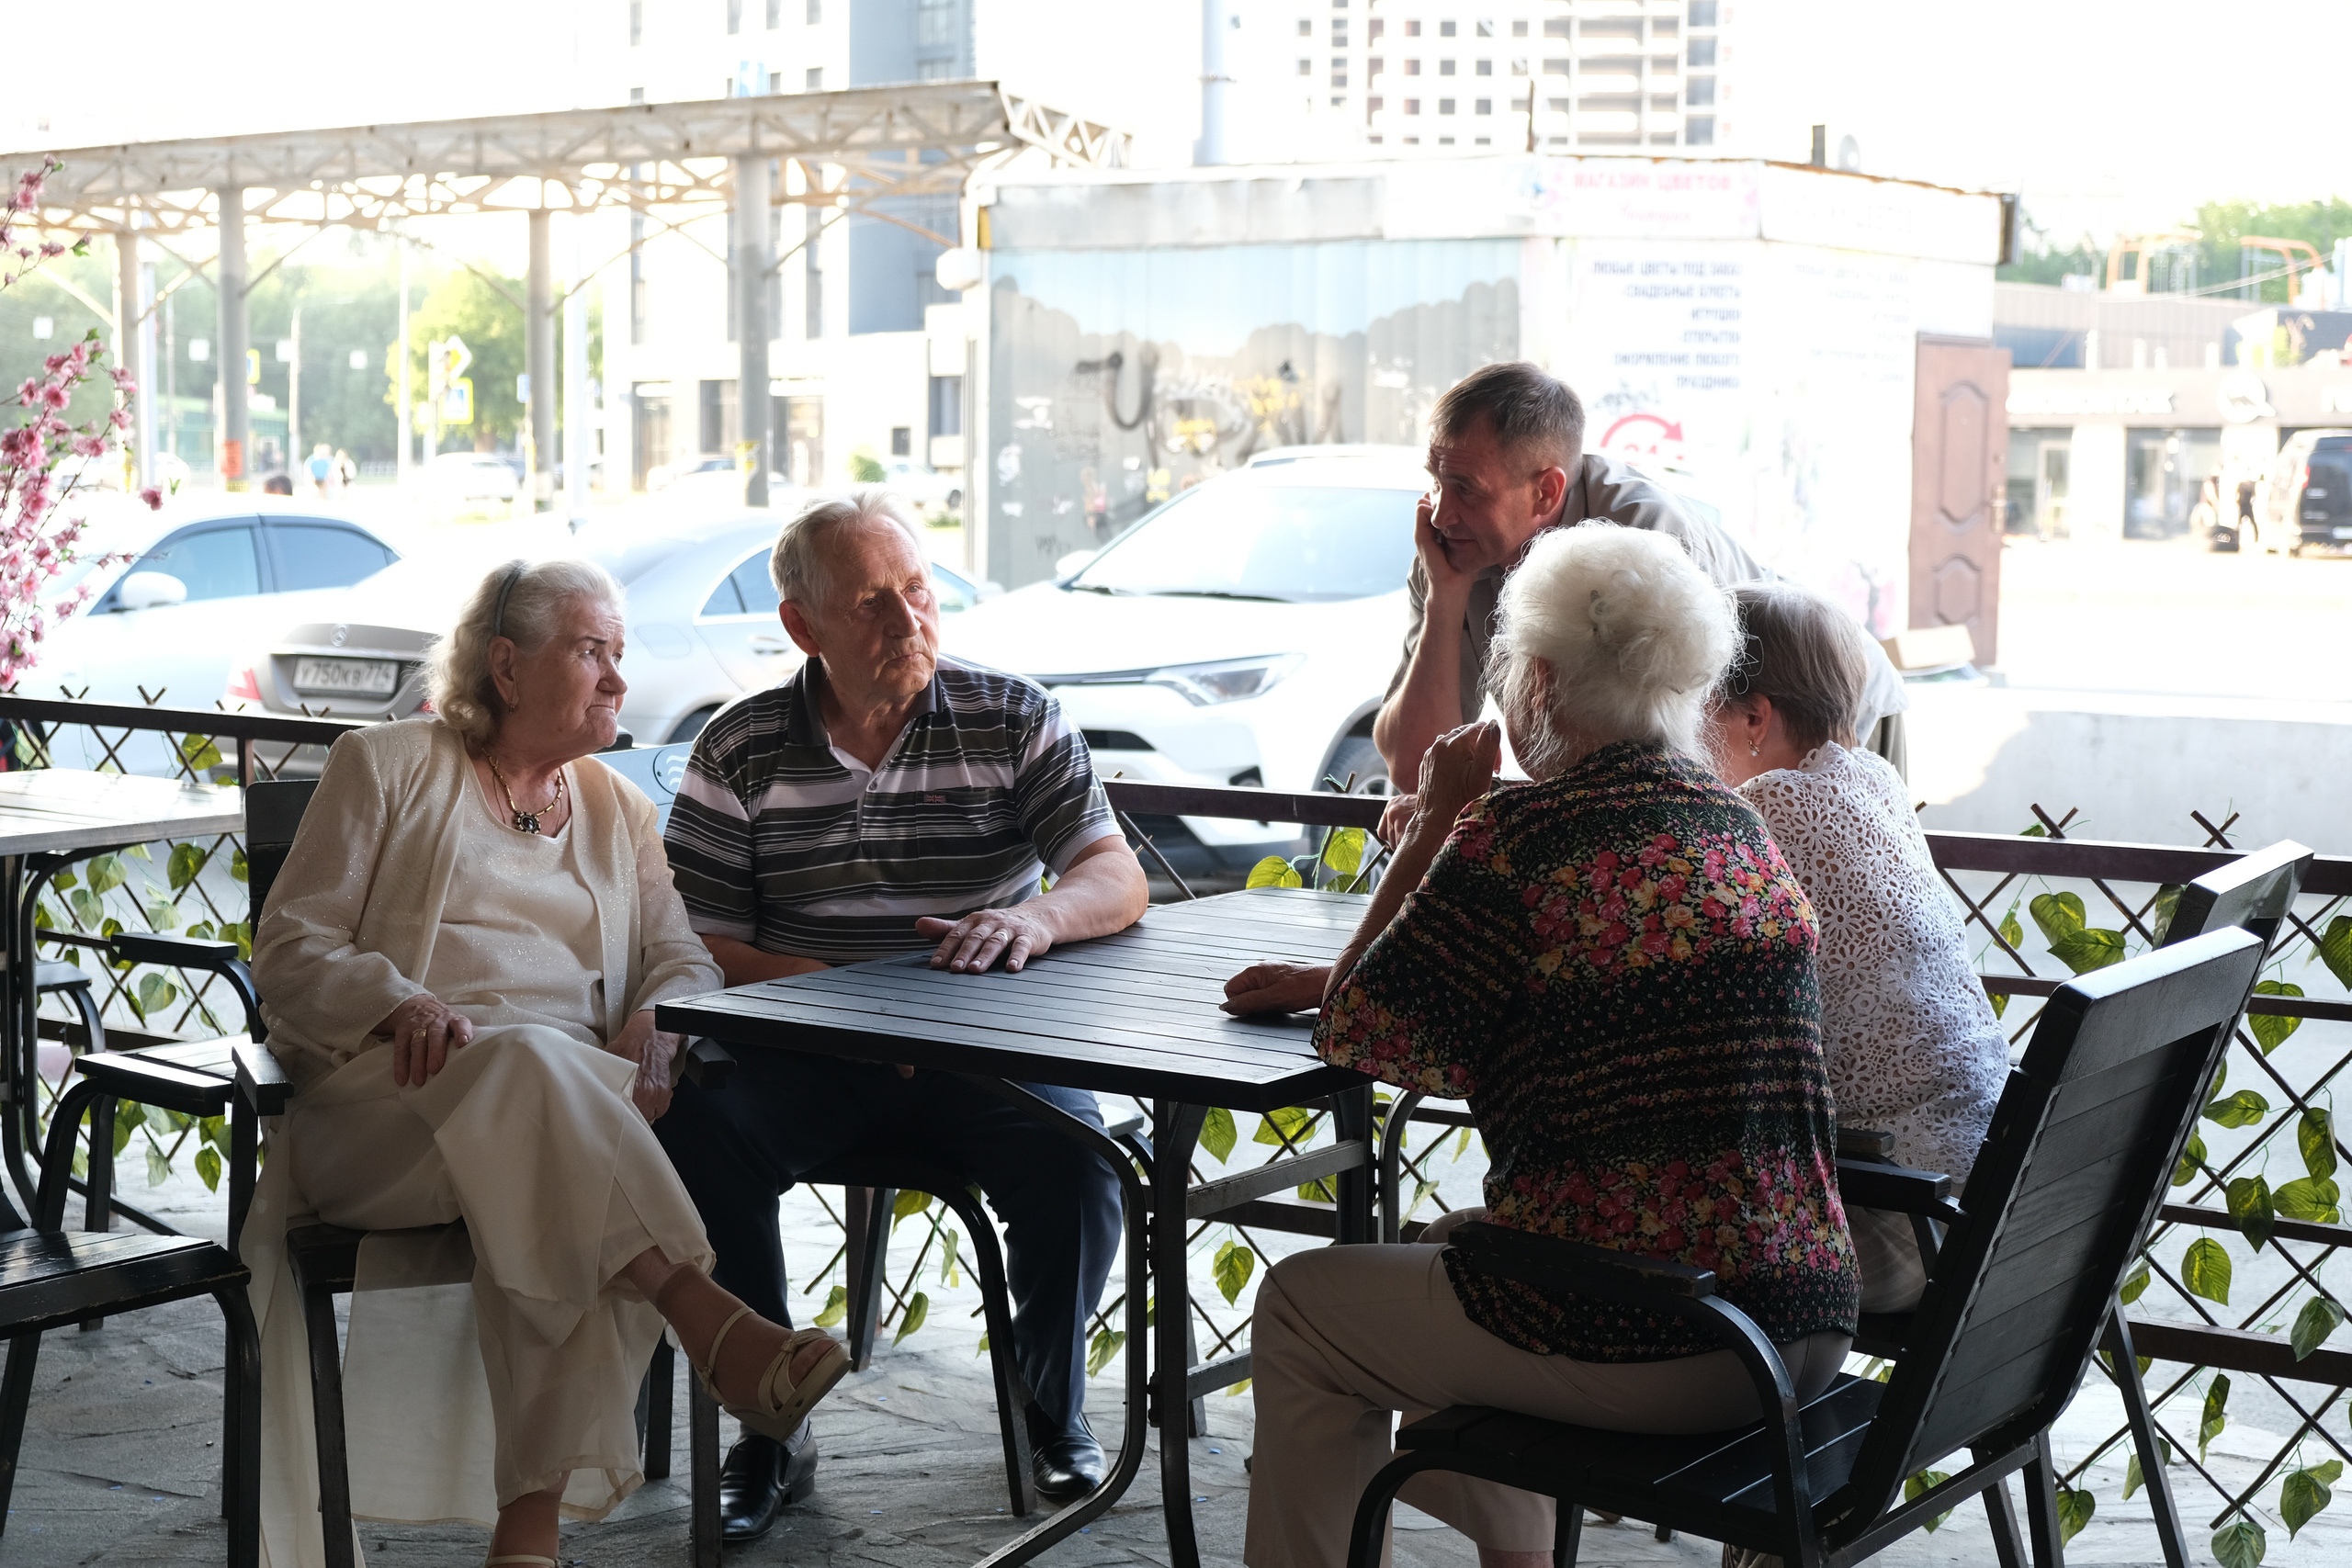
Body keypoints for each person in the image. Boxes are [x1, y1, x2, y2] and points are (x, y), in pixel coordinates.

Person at [1228, 525, 1857, 1568]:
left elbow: (1356, 1028)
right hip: (1801, 1315)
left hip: (1661, 1331)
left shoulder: (1519, 842)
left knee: (1302, 1308)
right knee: (1447, 1256)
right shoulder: (1734, 826)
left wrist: (1433, 821)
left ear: (1545, 685)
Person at [245, 559, 850, 1568]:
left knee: (551, 1161)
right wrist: (401, 1001)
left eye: (618, 653)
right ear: (508, 666)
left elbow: (681, 956)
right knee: (533, 1075)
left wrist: (658, 1017)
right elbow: (291, 946)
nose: (617, 679)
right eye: (590, 651)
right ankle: (706, 1320)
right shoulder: (386, 764)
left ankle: (527, 1540)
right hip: (388, 1118)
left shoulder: (617, 812)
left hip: (557, 1124)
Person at [656, 489, 1150, 1541]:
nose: (907, 621)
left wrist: (1042, 922)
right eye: (872, 603)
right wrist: (852, 1005)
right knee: (695, 1132)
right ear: (803, 626)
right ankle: (769, 1427)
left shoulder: (1012, 715)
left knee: (1080, 1163)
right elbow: (695, 943)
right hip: (804, 1049)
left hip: (980, 1040)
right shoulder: (739, 746)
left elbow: (1112, 875)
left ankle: (1048, 1406)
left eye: (918, 592)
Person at [1372, 360, 1908, 810]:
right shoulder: (1451, 551)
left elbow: (1678, 760)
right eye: (1436, 480)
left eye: (1465, 489)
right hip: (1724, 751)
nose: (1440, 513)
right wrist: (1446, 598)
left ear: (1545, 492)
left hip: (1829, 704)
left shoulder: (1642, 539)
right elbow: (1416, 763)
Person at [1707, 581, 2008, 1311]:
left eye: (1691, 707)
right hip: (2000, 1196)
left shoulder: (1767, 811)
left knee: (1646, 1248)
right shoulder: (1875, 780)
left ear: (1754, 716)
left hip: (1909, 1218)